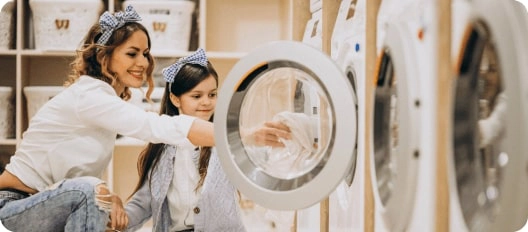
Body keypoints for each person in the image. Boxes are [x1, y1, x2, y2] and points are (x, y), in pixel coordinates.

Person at [0, 6, 214, 232]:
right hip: (14, 204)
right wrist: (230, 135)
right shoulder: (90, 96)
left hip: (46, 200)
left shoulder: (101, 98)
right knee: (89, 191)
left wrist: (108, 197)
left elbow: (71, 176)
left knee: (95, 193)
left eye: (145, 53)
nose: (143, 62)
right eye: (132, 53)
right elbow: (154, 126)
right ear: (104, 56)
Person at [124, 48, 292, 232]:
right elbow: (142, 203)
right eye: (196, 96)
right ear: (175, 99)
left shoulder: (227, 144)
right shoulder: (162, 152)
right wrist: (116, 220)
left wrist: (292, 137)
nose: (206, 102)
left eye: (212, 94)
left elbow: (263, 161)